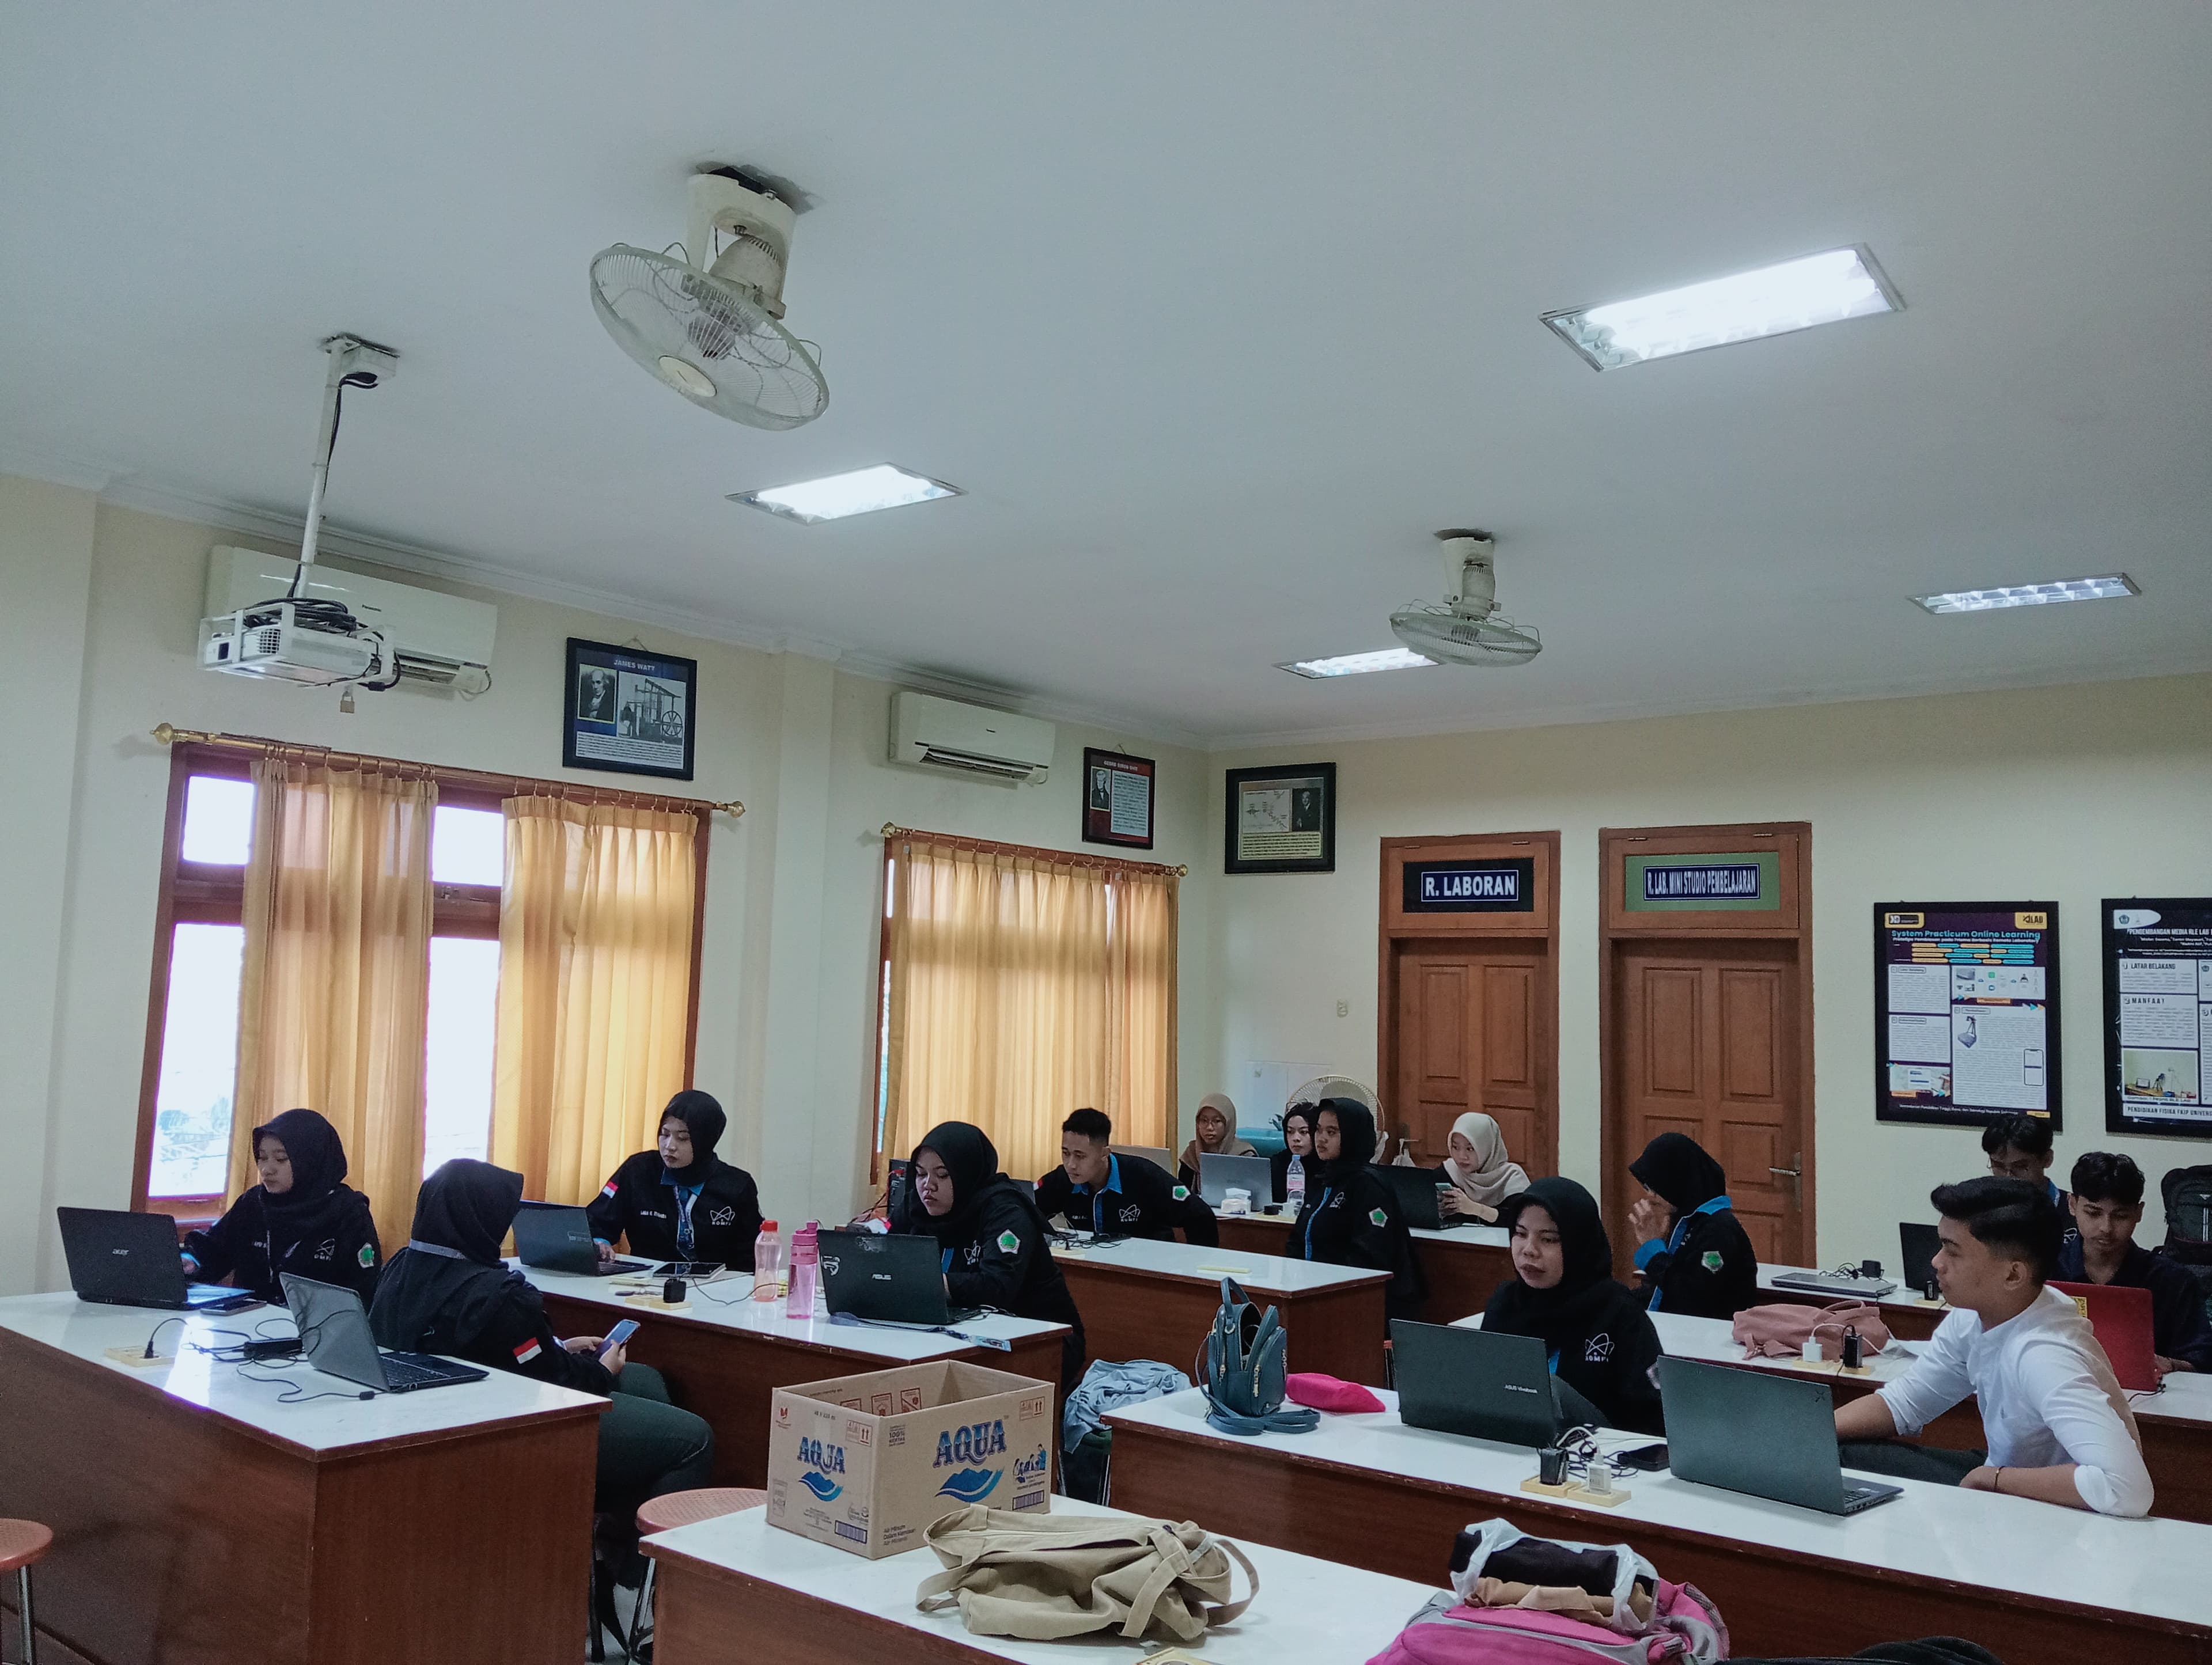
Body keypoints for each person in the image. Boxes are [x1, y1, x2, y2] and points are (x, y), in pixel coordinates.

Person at [370, 1160, 715, 1522]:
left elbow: (503, 1353)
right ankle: (639, 1573)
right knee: (695, 1439)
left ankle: (603, 1526)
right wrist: (601, 1371)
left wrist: (557, 1346)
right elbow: (552, 1381)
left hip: (455, 1411)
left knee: (649, 1382)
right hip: (524, 1425)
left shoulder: (401, 1268)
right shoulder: (501, 1296)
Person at [1832, 1178, 2151, 1516]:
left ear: (2013, 1275)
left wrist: (1994, 1479)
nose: (1937, 1262)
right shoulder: (1977, 1314)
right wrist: (1809, 1432)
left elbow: (2127, 1489)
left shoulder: (2045, 1355)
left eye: (1952, 1250)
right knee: (1834, 1448)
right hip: (2006, 1478)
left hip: (2058, 1514)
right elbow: (1904, 1404)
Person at [891, 1121, 1086, 1391]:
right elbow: (886, 1253)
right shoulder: (918, 1206)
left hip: (1040, 1340)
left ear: (966, 1174)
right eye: (921, 1174)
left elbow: (997, 1286)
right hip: (956, 1332)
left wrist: (933, 1284)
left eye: (942, 1175)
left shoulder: (1006, 1212)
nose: (928, 1186)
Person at [1481, 1177, 1665, 1435]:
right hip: (1510, 1451)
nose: (1529, 1250)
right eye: (1520, 1234)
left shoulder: (1620, 1314)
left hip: (1599, 1460)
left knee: (1547, 1388)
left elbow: (1653, 1420)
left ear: (1578, 1245)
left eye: (1548, 1239)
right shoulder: (1507, 1303)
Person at [181, 1108, 381, 1304]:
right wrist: (191, 1262)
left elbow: (363, 1292)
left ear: (310, 1160)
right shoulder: (253, 1203)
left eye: (281, 1159)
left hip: (315, 1332)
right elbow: (213, 1250)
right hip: (247, 1327)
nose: (267, 1170)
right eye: (262, 1157)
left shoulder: (348, 1212)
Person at [2059, 1152, 2211, 1376]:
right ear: (2072, 1204)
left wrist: (2172, 1365)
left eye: (2120, 1216)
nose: (2106, 1228)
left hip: (2149, 1398)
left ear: (2138, 1213)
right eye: (2093, 1213)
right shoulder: (2045, 1270)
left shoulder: (2172, 1280)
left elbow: (2203, 1358)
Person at [587, 1090, 762, 1270]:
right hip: (645, 1284)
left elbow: (752, 1256)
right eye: (665, 1134)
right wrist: (599, 1243)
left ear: (705, 1140)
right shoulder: (637, 1171)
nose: (670, 1146)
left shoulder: (737, 1185)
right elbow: (597, 1222)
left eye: (683, 1138)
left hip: (716, 1290)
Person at [1290, 1098, 1426, 1319]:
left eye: (1332, 1132)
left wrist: (1324, 1286)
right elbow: (1299, 1238)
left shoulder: (1369, 1185)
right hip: (1314, 1295)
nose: (1321, 1139)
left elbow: (1370, 1253)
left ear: (1353, 1136)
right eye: (1318, 1130)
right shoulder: (1324, 1179)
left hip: (1358, 1303)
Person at [1035, 1108, 1218, 1245]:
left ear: (1104, 1154)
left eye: (1080, 1156)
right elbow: (1026, 1205)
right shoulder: (1063, 1179)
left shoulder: (1144, 1176)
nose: (1071, 1164)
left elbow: (1200, 1215)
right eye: (1066, 1153)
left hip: (1147, 1270)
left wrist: (1195, 1265)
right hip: (1094, 1266)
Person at [1626, 1131, 1758, 1318]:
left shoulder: (1719, 1229)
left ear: (1677, 1181)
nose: (1651, 1196)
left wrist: (1653, 1251)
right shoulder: (1683, 1220)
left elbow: (1693, 1298)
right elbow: (1659, 1290)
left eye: (1656, 1187)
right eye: (1648, 1187)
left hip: (1711, 1337)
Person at [1983, 1113, 2074, 1241]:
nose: (2008, 1177)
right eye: (1998, 1166)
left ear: (2047, 1159)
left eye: (2020, 1166)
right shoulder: (1978, 1211)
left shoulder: (2075, 1211)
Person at [1429, 1112, 1531, 1223]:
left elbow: (1520, 1221)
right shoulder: (1449, 1170)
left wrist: (1475, 1209)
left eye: (1470, 1149)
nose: (1462, 1156)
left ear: (1488, 1148)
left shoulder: (1512, 1177)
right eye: (1456, 1147)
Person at [1177, 1093, 1257, 1186]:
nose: (1210, 1127)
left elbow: (1255, 1195)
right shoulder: (1191, 1155)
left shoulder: (1244, 1157)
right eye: (1204, 1121)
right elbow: (1181, 1193)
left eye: (1217, 1121)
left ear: (1228, 1124)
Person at [1268, 1102, 1318, 1206]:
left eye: (1304, 1132)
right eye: (1290, 1132)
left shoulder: (1327, 1166)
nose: (1296, 1138)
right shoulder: (1277, 1162)